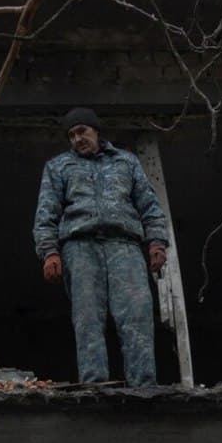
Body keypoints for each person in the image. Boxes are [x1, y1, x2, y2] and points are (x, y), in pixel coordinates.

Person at [32, 108, 171, 386]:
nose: (77, 139)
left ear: (96, 131)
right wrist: (49, 252)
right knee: (87, 319)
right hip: (80, 248)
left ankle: (144, 387)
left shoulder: (126, 162)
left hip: (125, 246)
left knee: (137, 315)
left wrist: (157, 242)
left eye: (82, 131)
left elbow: (149, 206)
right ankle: (94, 385)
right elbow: (46, 214)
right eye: (71, 135)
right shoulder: (58, 167)